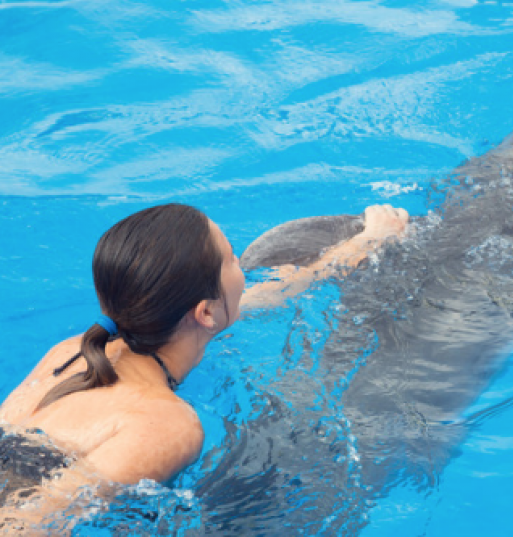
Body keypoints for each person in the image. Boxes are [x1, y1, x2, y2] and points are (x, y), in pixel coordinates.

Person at [0, 202, 408, 527]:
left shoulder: (75, 349)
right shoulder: (168, 424)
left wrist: (370, 240)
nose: (243, 271)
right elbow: (29, 522)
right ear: (206, 314)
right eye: (233, 259)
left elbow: (271, 292)